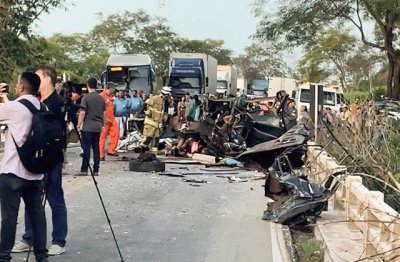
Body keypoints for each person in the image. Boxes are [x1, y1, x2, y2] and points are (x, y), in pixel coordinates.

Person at [13, 65, 68, 256]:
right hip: (34, 156)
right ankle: (29, 237)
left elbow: (60, 134)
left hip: (51, 157)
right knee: (31, 197)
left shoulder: (57, 103)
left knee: (54, 197)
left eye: (38, 76)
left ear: (47, 79)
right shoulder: (34, 101)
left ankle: (59, 240)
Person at [0, 73, 48, 262]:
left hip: (12, 172)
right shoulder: (42, 107)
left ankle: (4, 256)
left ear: (20, 87)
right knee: (37, 214)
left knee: (9, 217)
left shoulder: (13, 107)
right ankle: (41, 256)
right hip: (36, 173)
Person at [75, 78, 106, 176]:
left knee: (86, 148)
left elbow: (82, 113)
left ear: (88, 86)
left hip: (88, 127)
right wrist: (103, 125)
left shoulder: (86, 98)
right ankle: (96, 170)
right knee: (96, 148)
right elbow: (104, 114)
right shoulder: (101, 98)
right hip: (97, 127)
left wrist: (79, 124)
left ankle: (84, 169)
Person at [140, 86, 171, 152]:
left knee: (156, 140)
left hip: (157, 124)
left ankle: (153, 154)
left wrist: (163, 123)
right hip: (150, 122)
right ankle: (142, 153)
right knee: (148, 139)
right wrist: (147, 112)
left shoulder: (164, 102)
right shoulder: (155, 98)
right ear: (165, 94)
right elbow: (145, 104)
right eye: (168, 94)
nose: (168, 96)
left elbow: (163, 113)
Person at [99, 82, 119, 160]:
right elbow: (100, 109)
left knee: (116, 132)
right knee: (102, 137)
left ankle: (111, 150)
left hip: (111, 118)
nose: (114, 90)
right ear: (110, 88)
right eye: (113, 89)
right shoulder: (101, 96)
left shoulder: (109, 96)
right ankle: (101, 155)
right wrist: (104, 119)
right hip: (105, 119)